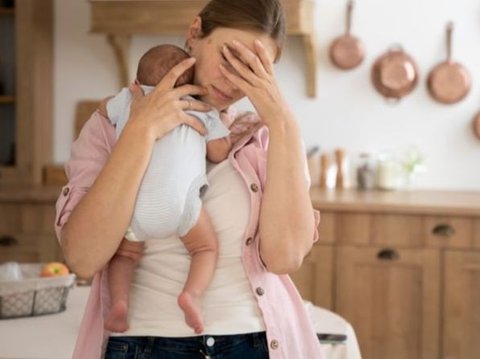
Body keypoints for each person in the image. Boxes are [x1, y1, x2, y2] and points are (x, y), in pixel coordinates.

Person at [55, 0, 323, 357]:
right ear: (195, 33)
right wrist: (141, 131)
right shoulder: (112, 125)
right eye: (229, 58)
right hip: (141, 344)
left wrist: (282, 121)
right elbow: (84, 257)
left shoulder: (267, 137)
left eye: (254, 69)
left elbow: (284, 257)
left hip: (254, 343)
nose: (234, 80)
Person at [104, 44, 231, 334]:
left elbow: (103, 111)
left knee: (124, 256)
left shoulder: (129, 99)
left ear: (137, 84)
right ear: (193, 85)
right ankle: (191, 295)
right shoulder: (201, 108)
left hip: (134, 204)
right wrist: (224, 125)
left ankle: (119, 304)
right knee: (205, 248)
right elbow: (219, 153)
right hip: (181, 204)